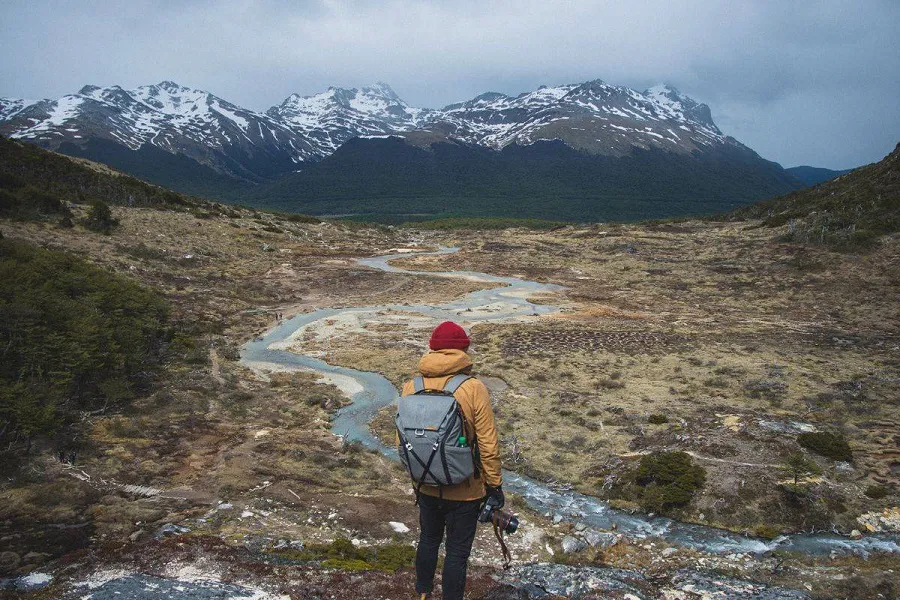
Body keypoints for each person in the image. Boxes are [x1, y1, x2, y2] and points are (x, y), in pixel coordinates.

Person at [400, 321, 503, 600]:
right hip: (465, 489)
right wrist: (494, 486)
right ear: (463, 350)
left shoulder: (411, 386)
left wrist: (418, 475)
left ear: (432, 349)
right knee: (457, 553)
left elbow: (404, 440)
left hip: (426, 483)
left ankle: (422, 595)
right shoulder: (473, 388)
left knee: (428, 541)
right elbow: (487, 443)